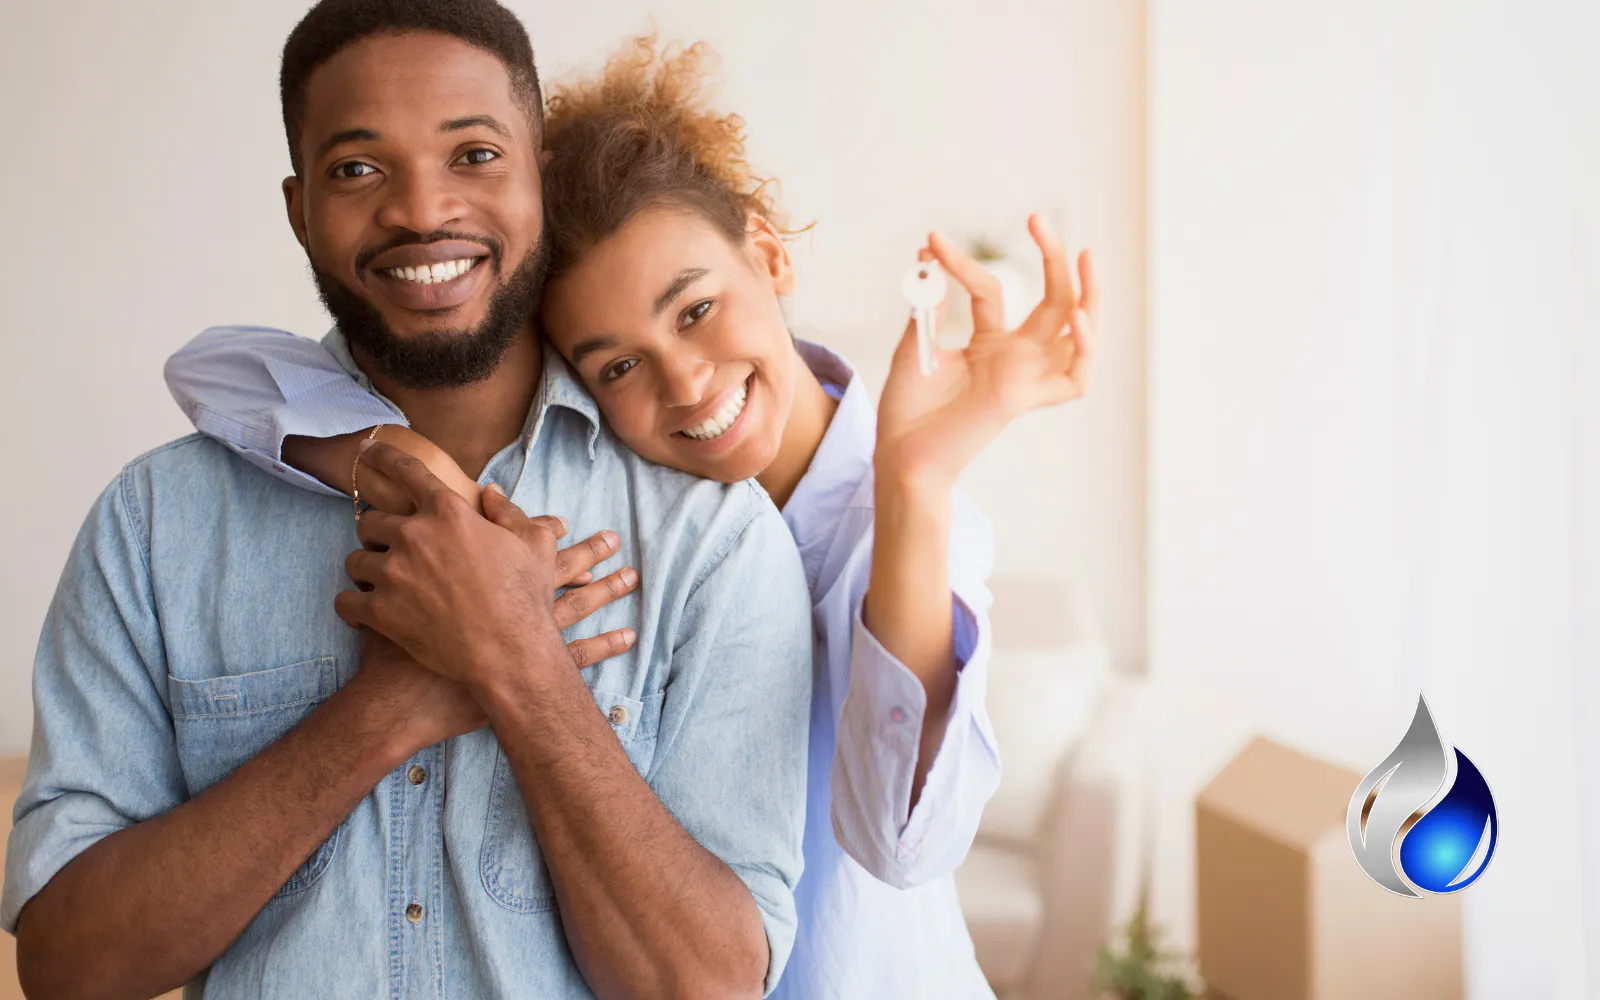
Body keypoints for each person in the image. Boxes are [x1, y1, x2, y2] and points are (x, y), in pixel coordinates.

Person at [162, 33, 1101, 1000]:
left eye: (695, 310)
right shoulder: (623, 496)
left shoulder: (896, 512)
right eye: (617, 365)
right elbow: (212, 368)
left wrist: (912, 482)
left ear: (767, 251)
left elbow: (904, 843)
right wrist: (392, 454)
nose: (687, 384)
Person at [0, 4, 816, 999]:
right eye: (357, 169)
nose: (422, 210)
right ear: (300, 212)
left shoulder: (712, 538)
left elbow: (707, 983)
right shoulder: (157, 522)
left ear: (536, 176)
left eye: (473, 153)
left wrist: (519, 664)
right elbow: (67, 965)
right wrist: (386, 710)